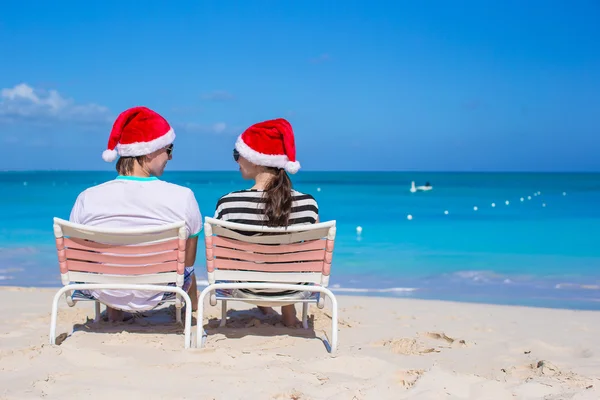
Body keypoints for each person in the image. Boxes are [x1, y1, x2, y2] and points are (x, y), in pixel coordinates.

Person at [69, 106, 202, 322]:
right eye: (168, 149)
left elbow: (79, 258)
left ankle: (114, 312)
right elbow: (188, 260)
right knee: (188, 269)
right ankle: (192, 311)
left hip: (103, 290)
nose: (170, 156)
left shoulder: (87, 197)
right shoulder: (183, 196)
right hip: (157, 290)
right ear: (149, 150)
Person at [214, 118, 319, 327]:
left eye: (237, 154)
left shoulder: (228, 203)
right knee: (288, 255)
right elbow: (311, 254)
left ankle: (264, 301)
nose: (236, 161)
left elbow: (224, 255)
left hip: (246, 287)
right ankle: (288, 310)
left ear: (254, 159)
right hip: (292, 288)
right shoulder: (308, 204)